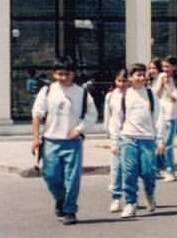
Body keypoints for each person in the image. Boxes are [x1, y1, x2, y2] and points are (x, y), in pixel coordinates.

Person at [31, 56, 98, 225]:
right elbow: (37, 114)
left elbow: (92, 115)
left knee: (72, 178)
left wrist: (79, 129)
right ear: (54, 74)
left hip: (72, 142)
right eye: (59, 74)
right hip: (51, 140)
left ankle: (69, 210)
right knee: (51, 176)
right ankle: (60, 199)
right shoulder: (47, 91)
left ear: (73, 74)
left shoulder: (82, 93)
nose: (63, 77)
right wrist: (36, 138)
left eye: (67, 74)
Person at [110, 63, 162, 219]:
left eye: (143, 74)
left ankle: (150, 194)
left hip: (147, 139)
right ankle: (130, 203)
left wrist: (160, 139)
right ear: (130, 78)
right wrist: (114, 141)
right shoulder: (123, 96)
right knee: (129, 172)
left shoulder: (151, 95)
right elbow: (116, 119)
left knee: (148, 171)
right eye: (137, 75)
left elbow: (158, 118)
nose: (141, 77)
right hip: (128, 138)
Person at [153, 56, 177, 182]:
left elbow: (174, 98)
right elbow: (156, 96)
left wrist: (166, 84)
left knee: (168, 145)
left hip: (171, 116)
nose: (165, 69)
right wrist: (161, 83)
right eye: (163, 67)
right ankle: (156, 168)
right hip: (160, 116)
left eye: (167, 66)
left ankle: (170, 170)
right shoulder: (160, 78)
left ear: (174, 67)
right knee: (159, 144)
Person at [102, 69, 128, 213]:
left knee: (129, 169)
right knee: (116, 169)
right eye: (119, 81)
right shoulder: (110, 96)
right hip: (116, 136)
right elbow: (108, 117)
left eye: (124, 81)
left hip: (131, 135)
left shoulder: (133, 96)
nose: (121, 84)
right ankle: (116, 198)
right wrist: (110, 136)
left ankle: (130, 197)